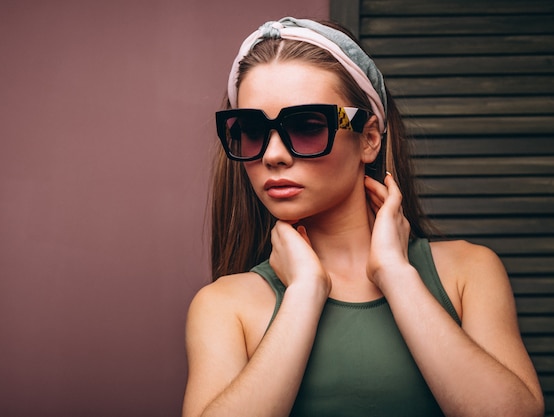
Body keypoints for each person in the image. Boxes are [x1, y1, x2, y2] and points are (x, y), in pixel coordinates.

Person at [182, 17, 544, 417]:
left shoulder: (468, 272)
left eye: (305, 126)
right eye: (251, 130)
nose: (272, 155)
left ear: (369, 138)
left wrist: (395, 272)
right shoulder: (222, 306)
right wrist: (303, 292)